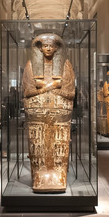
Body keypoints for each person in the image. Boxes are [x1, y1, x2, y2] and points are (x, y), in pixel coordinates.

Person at [21, 33, 75, 192]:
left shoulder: (65, 65)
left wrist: (43, 86)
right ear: (40, 48)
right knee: (38, 145)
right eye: (45, 46)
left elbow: (70, 93)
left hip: (59, 111)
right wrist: (51, 86)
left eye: (51, 46)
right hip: (37, 112)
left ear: (57, 48)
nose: (48, 49)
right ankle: (39, 174)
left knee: (59, 144)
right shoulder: (31, 66)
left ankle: (59, 174)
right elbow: (28, 92)